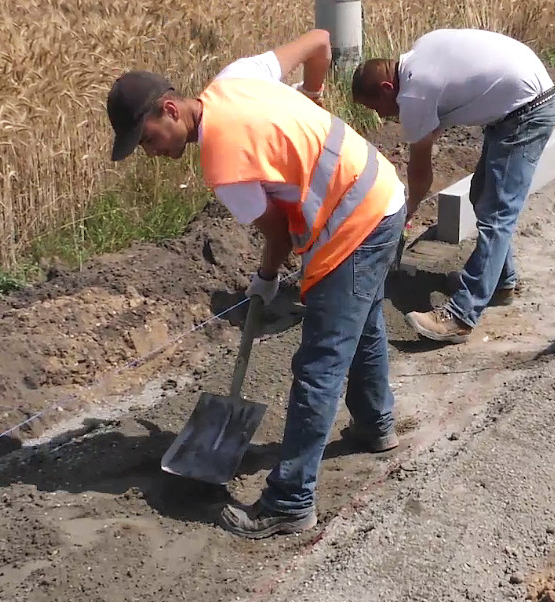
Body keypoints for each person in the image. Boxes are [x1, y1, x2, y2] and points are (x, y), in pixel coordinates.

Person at [105, 29, 407, 539]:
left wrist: (264, 279)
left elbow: (279, 236)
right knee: (364, 321)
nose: (151, 154)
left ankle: (290, 501)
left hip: (354, 222)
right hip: (382, 189)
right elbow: (319, 43)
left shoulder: (225, 165)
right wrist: (312, 99)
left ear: (172, 110)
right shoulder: (237, 77)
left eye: (150, 140)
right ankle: (376, 426)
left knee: (319, 365)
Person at [351, 28, 555, 344]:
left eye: (375, 107)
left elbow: (421, 171)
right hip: (517, 102)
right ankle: (501, 282)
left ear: (386, 88)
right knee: (481, 194)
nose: (381, 116)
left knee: (497, 215)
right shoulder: (418, 55)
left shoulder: (413, 94)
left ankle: (462, 315)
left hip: (527, 109)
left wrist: (406, 211)